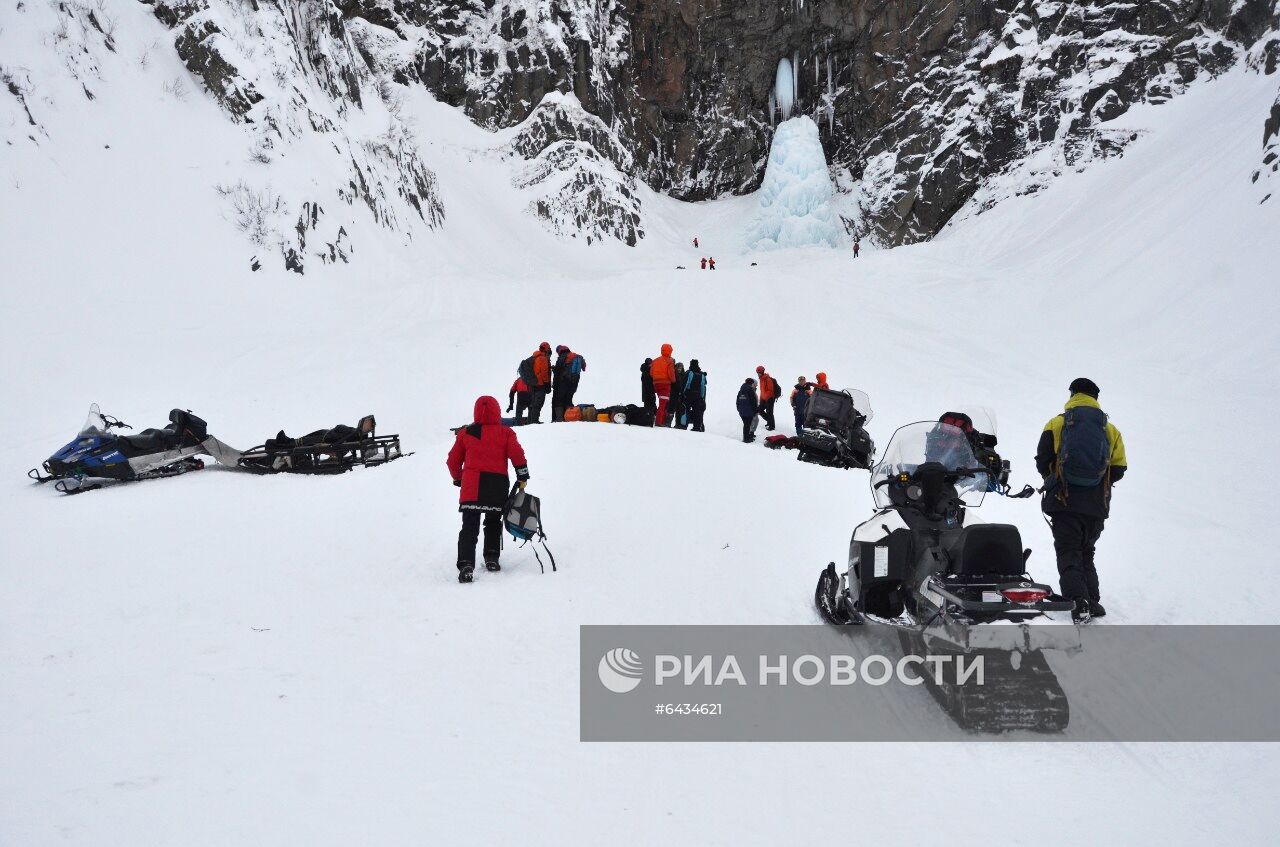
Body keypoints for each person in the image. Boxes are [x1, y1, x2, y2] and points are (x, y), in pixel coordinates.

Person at [1035, 378, 1128, 622]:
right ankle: (1093, 601)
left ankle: (1078, 602)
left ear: (1072, 394)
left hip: (1063, 500)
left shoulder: (1057, 423)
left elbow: (1042, 460)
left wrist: (1056, 477)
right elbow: (1119, 468)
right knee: (1087, 551)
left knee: (1068, 551)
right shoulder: (1110, 430)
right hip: (1096, 505)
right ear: (1096, 397)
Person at [447, 396, 530, 583]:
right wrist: (522, 475)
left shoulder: (466, 433)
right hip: (497, 486)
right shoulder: (506, 432)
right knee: (493, 523)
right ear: (497, 411)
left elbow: (453, 460)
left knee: (469, 527)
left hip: (472, 487)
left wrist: (458, 478)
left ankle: (466, 564)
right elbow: (517, 454)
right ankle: (491, 558)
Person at [518, 342, 553, 423]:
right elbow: (544, 373)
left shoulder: (534, 357)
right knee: (538, 404)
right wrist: (547, 384)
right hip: (540, 385)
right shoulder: (542, 358)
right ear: (547, 349)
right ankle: (534, 422)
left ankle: (530, 421)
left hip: (532, 385)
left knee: (532, 404)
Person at [551, 344, 587, 422]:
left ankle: (559, 419)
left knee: (559, 400)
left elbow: (558, 371)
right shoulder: (579, 356)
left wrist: (554, 383)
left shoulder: (563, 356)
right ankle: (569, 417)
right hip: (574, 382)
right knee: (568, 399)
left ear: (559, 351)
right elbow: (584, 368)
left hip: (563, 382)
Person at [651, 343, 677, 425]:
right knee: (663, 404)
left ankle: (660, 421)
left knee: (662, 402)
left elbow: (651, 373)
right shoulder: (670, 361)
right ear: (670, 351)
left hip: (656, 384)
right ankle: (659, 422)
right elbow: (671, 373)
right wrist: (674, 381)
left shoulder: (655, 361)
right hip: (665, 384)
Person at [681, 359, 707, 432]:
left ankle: (683, 425)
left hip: (688, 394)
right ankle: (697, 427)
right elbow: (702, 386)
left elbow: (686, 383)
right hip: (698, 396)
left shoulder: (689, 372)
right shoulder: (701, 374)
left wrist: (683, 393)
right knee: (697, 412)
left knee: (686, 410)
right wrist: (701, 396)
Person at [755, 365, 780, 431]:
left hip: (770, 398)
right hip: (764, 398)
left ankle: (772, 426)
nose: (758, 374)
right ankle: (770, 421)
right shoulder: (761, 380)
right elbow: (762, 391)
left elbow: (770, 390)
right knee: (760, 410)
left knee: (769, 412)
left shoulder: (768, 379)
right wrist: (761, 400)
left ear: (763, 372)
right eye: (757, 373)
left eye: (759, 372)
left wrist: (766, 399)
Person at [736, 378, 759, 443]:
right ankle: (746, 439)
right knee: (747, 425)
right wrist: (755, 410)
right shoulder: (750, 390)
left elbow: (737, 401)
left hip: (742, 411)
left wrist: (739, 409)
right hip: (749, 412)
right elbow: (753, 402)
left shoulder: (741, 391)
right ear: (751, 383)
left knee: (746, 425)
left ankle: (747, 437)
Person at [667, 361, 687, 427]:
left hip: (680, 395)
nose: (679, 369)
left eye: (680, 368)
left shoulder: (683, 376)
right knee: (671, 408)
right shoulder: (674, 375)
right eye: (678, 368)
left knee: (678, 409)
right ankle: (668, 423)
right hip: (673, 393)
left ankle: (677, 424)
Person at [640, 358, 656, 422]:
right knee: (650, 407)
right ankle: (649, 420)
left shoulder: (645, 372)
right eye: (650, 364)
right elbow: (649, 385)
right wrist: (652, 392)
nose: (651, 365)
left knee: (648, 407)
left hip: (646, 394)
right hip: (649, 393)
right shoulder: (647, 372)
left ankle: (648, 419)